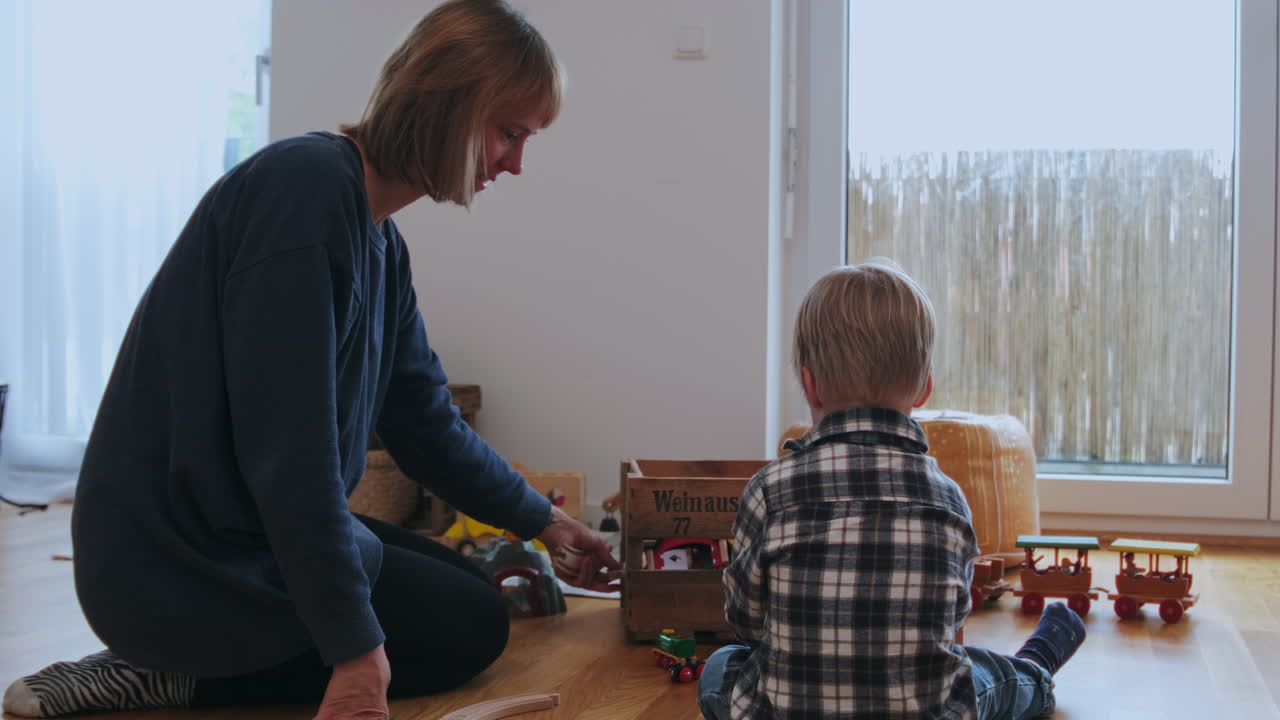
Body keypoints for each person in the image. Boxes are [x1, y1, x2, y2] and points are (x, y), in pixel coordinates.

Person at [2, 2, 618, 718]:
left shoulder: (381, 243)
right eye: (509, 133)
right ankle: (166, 671)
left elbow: (426, 424)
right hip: (178, 561)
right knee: (466, 626)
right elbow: (289, 458)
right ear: (449, 104)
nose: (515, 163)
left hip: (245, 528)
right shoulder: (303, 191)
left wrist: (544, 522)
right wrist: (355, 652)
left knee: (464, 594)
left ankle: (202, 659)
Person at [696, 260, 1086, 720]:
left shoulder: (769, 491)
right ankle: (1037, 664)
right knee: (984, 676)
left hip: (787, 710)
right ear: (925, 389)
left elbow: (745, 618)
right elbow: (952, 618)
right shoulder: (948, 499)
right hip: (926, 710)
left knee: (722, 666)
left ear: (810, 385)